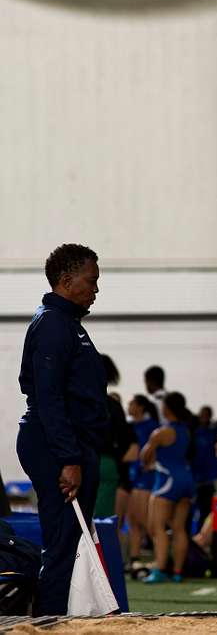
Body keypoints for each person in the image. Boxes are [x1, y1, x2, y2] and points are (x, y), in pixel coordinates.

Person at [17, 244, 108, 615]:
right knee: (62, 540)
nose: (97, 290)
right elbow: (50, 398)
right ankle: (48, 622)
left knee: (67, 540)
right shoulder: (53, 325)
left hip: (67, 442)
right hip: (54, 444)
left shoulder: (67, 324)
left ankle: (55, 616)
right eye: (92, 281)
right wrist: (69, 458)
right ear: (67, 281)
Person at [140, 392, 196, 583]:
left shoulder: (161, 432)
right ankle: (178, 573)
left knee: (157, 527)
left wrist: (150, 460)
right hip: (186, 479)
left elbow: (144, 456)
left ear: (166, 408)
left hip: (167, 481)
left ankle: (160, 569)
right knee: (179, 528)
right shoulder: (185, 430)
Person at [97, 355, 137, 524]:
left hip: (79, 460)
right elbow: (125, 439)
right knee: (102, 520)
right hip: (107, 462)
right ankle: (100, 550)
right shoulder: (112, 406)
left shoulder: (75, 403)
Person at [126, 394, 161, 576]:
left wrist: (148, 464)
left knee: (146, 520)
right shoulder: (129, 426)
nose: (128, 406)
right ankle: (134, 559)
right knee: (133, 520)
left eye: (131, 403)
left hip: (146, 478)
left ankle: (161, 559)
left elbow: (155, 450)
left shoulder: (151, 426)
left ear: (140, 407)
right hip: (131, 476)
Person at [191, 406, 217, 527]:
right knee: (200, 510)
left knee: (211, 510)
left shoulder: (215, 432)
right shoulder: (195, 433)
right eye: (201, 415)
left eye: (206, 415)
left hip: (212, 478)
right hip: (198, 478)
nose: (203, 418)